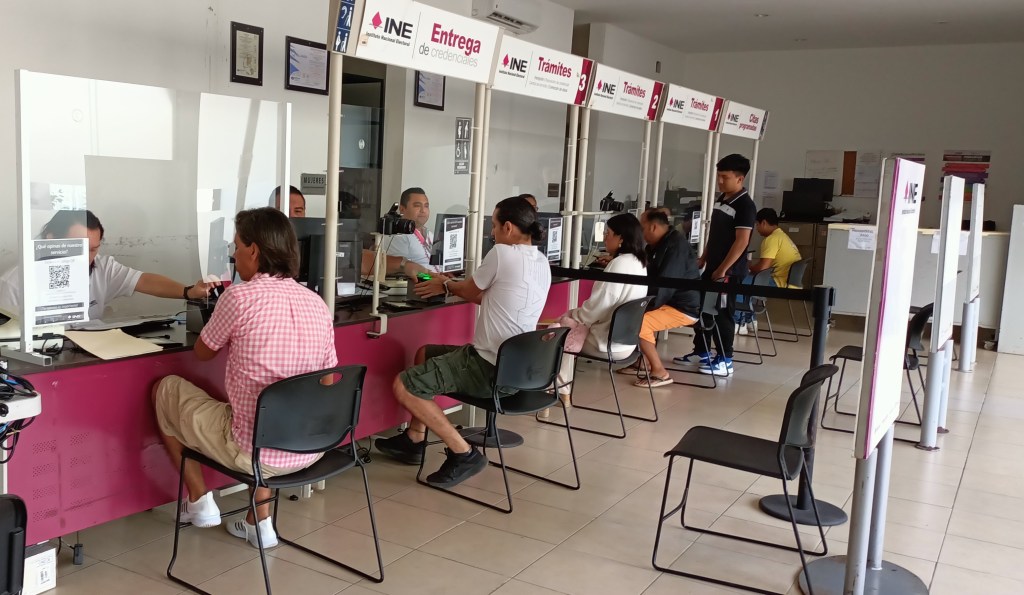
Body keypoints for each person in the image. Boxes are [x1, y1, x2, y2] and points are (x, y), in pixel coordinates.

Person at [152, 207, 337, 549]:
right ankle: (259, 523)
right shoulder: (317, 303)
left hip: (255, 453)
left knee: (166, 390)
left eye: (236, 247)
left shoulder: (238, 297)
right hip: (311, 447)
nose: (233, 256)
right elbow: (327, 383)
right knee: (265, 413)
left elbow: (203, 352)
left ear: (253, 250)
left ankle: (198, 499)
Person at [374, 196, 551, 488]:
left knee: (404, 385)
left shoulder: (502, 253)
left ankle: (463, 453)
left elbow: (469, 292)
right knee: (425, 354)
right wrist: (446, 283)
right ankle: (415, 438)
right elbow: (490, 296)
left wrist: (444, 283)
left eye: (494, 226)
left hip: (488, 367)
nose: (492, 233)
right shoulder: (540, 260)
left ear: (508, 227)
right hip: (518, 370)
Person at [0, 210, 220, 321]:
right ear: (51, 239)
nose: (86, 258)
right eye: (77, 248)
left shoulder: (102, 268)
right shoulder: (13, 284)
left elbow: (144, 281)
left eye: (93, 249)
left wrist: (188, 291)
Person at [541, 213, 647, 416]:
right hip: (626, 341)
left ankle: (556, 392)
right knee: (566, 329)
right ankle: (562, 392)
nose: (605, 237)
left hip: (607, 341)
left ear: (621, 238)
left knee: (559, 335)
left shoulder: (620, 264)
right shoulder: (639, 262)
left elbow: (598, 307)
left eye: (608, 233)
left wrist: (572, 315)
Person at [675, 154, 756, 377]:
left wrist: (723, 269)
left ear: (740, 179)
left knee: (722, 313)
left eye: (725, 177)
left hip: (728, 272)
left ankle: (725, 359)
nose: (720, 181)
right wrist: (704, 257)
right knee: (704, 309)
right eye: (718, 176)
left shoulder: (745, 206)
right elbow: (716, 234)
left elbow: (742, 241)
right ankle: (701, 351)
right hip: (713, 267)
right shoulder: (722, 199)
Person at [617, 209, 700, 388]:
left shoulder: (675, 247)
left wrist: (643, 307)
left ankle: (659, 371)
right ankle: (643, 362)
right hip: (670, 303)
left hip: (683, 308)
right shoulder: (659, 244)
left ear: (653, 227)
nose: (640, 233)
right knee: (637, 314)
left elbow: (665, 286)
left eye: (642, 228)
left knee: (640, 322)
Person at [734, 208, 802, 333]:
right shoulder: (782, 236)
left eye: (757, 224)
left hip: (778, 282)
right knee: (750, 283)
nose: (757, 229)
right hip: (788, 280)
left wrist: (748, 267)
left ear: (764, 223)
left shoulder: (771, 239)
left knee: (739, 284)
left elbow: (762, 269)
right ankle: (750, 321)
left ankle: (738, 322)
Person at [386, 187, 438, 271]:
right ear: (402, 209)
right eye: (417, 206)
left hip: (438, 278)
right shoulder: (397, 236)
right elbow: (399, 272)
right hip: (420, 279)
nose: (423, 210)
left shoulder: (429, 234)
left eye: (426, 206)